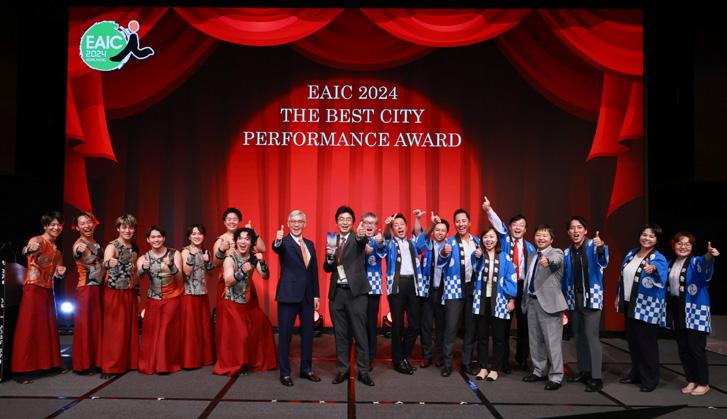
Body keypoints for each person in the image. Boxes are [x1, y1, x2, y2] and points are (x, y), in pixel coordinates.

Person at [213, 227, 277, 376]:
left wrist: (262, 263)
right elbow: (228, 281)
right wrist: (242, 271)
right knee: (242, 333)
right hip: (231, 302)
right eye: (240, 239)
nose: (243, 242)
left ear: (251, 243)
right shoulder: (230, 258)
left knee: (264, 324)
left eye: (247, 239)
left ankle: (254, 360)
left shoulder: (253, 257)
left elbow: (265, 276)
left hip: (247, 301)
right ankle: (238, 365)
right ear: (236, 241)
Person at [11, 211, 66, 383]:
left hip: (48, 289)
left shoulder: (57, 250)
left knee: (47, 328)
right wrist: (29, 249)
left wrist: (60, 272)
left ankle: (49, 364)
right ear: (45, 226)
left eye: (59, 225)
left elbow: (58, 272)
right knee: (28, 328)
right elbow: (28, 249)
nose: (56, 228)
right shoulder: (38, 240)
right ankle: (20, 370)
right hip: (33, 288)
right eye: (52, 224)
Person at [482, 196, 536, 371]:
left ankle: (522, 359)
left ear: (525, 229)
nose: (518, 228)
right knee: (503, 325)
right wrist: (489, 209)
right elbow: (497, 224)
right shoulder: (504, 239)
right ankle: (502, 361)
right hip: (505, 287)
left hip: (523, 288)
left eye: (521, 225)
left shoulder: (530, 247)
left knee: (524, 326)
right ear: (510, 227)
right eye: (515, 225)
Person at [324, 206, 374, 386]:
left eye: (348, 219)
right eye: (341, 219)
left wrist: (361, 235)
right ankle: (343, 370)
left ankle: (364, 371)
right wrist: (329, 258)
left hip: (356, 294)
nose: (344, 222)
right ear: (336, 222)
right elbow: (327, 268)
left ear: (353, 222)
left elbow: (361, 241)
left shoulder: (357, 237)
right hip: (337, 293)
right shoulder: (332, 239)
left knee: (360, 334)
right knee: (340, 334)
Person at [615, 224, 668, 392]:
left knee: (647, 344)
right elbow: (622, 276)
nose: (647, 238)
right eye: (644, 235)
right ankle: (636, 374)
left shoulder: (658, 258)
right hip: (630, 303)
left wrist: (653, 269)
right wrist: (618, 296)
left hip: (647, 306)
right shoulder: (631, 253)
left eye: (651, 236)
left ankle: (650, 379)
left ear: (657, 240)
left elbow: (661, 272)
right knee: (633, 342)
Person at [272, 210, 321, 387]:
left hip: (307, 296)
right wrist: (277, 240)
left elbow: (313, 271)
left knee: (308, 335)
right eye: (293, 221)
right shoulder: (283, 242)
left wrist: (316, 295)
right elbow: (277, 248)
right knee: (285, 336)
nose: (296, 224)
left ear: (305, 224)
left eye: (300, 221)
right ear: (288, 223)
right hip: (288, 295)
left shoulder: (310, 244)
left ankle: (306, 369)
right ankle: (285, 373)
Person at [667, 232, 719, 396]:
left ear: (692, 247)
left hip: (695, 309)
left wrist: (709, 255)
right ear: (674, 245)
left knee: (696, 347)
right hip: (677, 308)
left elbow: (705, 262)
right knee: (683, 347)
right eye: (679, 243)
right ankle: (691, 379)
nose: (683, 247)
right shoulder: (670, 263)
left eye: (687, 244)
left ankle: (703, 383)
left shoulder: (696, 261)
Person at [562, 216, 609, 392]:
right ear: (568, 232)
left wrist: (601, 247)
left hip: (592, 297)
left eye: (579, 227)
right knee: (579, 336)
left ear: (586, 230)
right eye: (572, 228)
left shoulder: (593, 245)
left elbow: (603, 261)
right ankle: (584, 371)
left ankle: (596, 377)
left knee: (591, 336)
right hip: (573, 298)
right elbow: (565, 278)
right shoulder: (566, 252)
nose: (575, 231)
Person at [381, 211, 428, 375]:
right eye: (396, 225)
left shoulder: (412, 243)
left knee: (414, 325)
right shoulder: (390, 243)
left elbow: (420, 235)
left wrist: (418, 219)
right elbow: (385, 237)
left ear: (406, 227)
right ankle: (398, 360)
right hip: (397, 285)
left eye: (402, 224)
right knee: (398, 325)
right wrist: (387, 225)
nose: (399, 227)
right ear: (393, 228)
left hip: (413, 285)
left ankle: (403, 357)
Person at [521, 224, 566, 390]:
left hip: (550, 305)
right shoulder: (533, 255)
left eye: (545, 236)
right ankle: (539, 370)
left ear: (551, 239)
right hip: (532, 302)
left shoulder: (556, 253)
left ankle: (556, 376)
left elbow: (557, 261)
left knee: (552, 343)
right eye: (538, 235)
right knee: (535, 341)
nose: (541, 238)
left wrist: (549, 261)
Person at [471, 227, 518, 382]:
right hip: (481, 301)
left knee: (499, 337)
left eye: (491, 237)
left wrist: (511, 299)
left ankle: (495, 369)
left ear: (497, 239)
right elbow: (473, 269)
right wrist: (477, 257)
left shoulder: (505, 257)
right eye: (485, 237)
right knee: (482, 336)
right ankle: (483, 367)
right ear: (482, 240)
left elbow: (511, 278)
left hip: (499, 301)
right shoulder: (478, 255)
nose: (488, 240)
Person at [438, 208, 480, 377]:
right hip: (453, 289)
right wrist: (443, 253)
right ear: (454, 224)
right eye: (457, 221)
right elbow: (440, 261)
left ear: (469, 223)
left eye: (463, 221)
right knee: (450, 328)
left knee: (471, 328)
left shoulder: (478, 242)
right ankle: (447, 364)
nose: (460, 224)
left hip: (473, 290)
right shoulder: (449, 243)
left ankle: (466, 363)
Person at [136, 226, 183, 374]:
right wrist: (143, 268)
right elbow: (137, 277)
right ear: (148, 240)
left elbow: (180, 277)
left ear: (164, 238)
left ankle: (165, 365)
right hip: (153, 298)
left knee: (166, 331)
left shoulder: (175, 254)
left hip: (172, 297)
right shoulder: (143, 258)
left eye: (159, 237)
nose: (156, 239)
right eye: (153, 237)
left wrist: (171, 265)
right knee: (151, 332)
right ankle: (151, 364)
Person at [101, 214, 140, 379]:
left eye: (130, 227)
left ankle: (128, 363)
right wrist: (108, 263)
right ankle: (110, 366)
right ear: (118, 228)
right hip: (114, 292)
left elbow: (135, 272)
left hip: (129, 291)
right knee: (114, 329)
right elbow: (105, 262)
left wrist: (137, 291)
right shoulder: (112, 246)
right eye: (124, 227)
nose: (127, 230)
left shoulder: (134, 247)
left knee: (129, 328)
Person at [71, 211, 105, 374]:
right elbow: (77, 253)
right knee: (85, 325)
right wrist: (79, 251)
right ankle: (83, 364)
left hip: (98, 288)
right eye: (82, 223)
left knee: (96, 325)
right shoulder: (80, 243)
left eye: (89, 222)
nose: (87, 225)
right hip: (86, 288)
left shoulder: (95, 242)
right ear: (77, 227)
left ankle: (96, 361)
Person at [415, 212, 449, 369]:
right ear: (433, 231)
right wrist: (430, 224)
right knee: (426, 326)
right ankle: (427, 356)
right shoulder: (427, 245)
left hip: (443, 291)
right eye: (437, 230)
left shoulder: (450, 247)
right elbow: (418, 241)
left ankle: (440, 356)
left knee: (442, 326)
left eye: (443, 230)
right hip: (427, 291)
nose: (440, 232)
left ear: (447, 233)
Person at [180, 224, 215, 369]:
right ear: (189, 237)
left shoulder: (205, 251)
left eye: (200, 233)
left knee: (203, 327)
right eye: (194, 234)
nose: (197, 236)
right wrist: (193, 256)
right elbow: (187, 272)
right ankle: (190, 361)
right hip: (189, 294)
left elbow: (211, 273)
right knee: (191, 328)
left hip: (203, 293)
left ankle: (205, 358)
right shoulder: (184, 251)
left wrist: (207, 261)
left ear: (204, 236)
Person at [361, 212, 385, 371]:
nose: (369, 225)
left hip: (373, 288)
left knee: (371, 324)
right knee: (357, 324)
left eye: (372, 223)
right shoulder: (356, 239)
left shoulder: (379, 240)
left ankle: (369, 358)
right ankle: (358, 354)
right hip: (356, 289)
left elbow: (382, 248)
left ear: (376, 226)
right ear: (362, 224)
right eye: (366, 222)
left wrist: (380, 243)